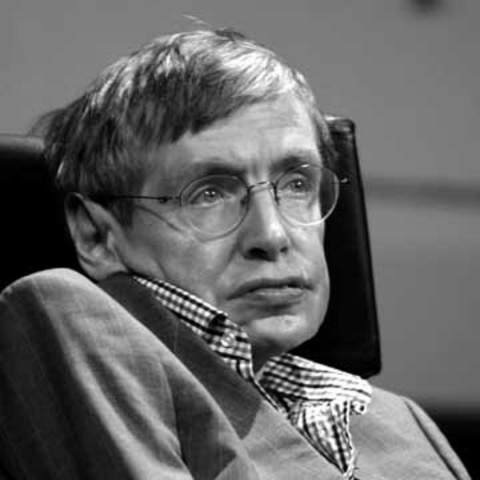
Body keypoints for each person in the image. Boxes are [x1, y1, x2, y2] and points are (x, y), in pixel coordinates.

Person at [0, 28, 470, 479]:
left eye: (297, 184)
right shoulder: (62, 315)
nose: (273, 234)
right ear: (95, 236)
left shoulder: (403, 423)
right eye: (209, 193)